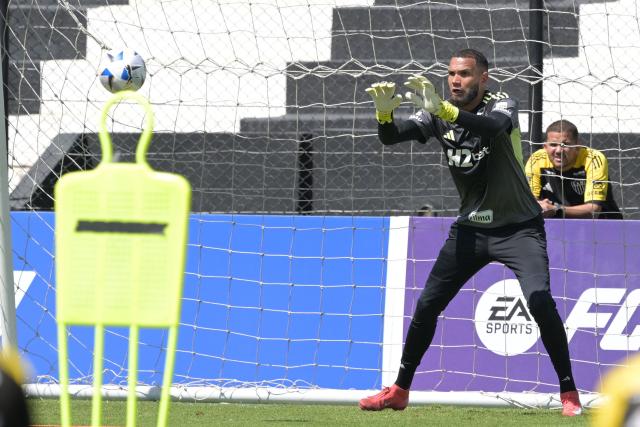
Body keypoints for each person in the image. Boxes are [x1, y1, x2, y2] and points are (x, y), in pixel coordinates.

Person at [360, 49, 582, 416]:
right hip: (471, 231)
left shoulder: (502, 103)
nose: (455, 81)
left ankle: (569, 393)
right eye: (450, 74)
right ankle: (399, 389)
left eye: (464, 74)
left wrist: (445, 111)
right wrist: (384, 114)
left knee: (540, 300)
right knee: (428, 303)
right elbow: (391, 137)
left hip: (519, 229)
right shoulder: (438, 109)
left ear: (483, 78)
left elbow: (492, 128)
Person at [525, 120, 623, 219]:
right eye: (553, 145)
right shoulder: (536, 160)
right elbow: (528, 203)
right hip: (557, 225)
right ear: (545, 147)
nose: (559, 151)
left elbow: (594, 210)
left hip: (601, 225)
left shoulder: (593, 158)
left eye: (565, 145)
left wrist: (556, 209)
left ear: (577, 146)